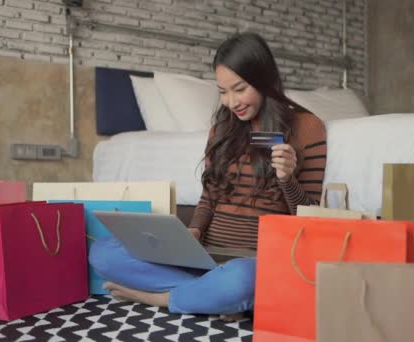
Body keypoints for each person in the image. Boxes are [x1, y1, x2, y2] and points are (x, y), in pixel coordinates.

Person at [89, 32, 327, 320]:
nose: (231, 102)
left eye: (239, 89)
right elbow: (209, 198)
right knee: (103, 252)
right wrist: (193, 232)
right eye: (222, 91)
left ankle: (158, 298)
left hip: (253, 263)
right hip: (206, 257)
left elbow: (312, 219)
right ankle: (217, 297)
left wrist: (287, 179)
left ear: (263, 79)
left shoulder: (307, 126)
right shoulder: (222, 130)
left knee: (242, 279)